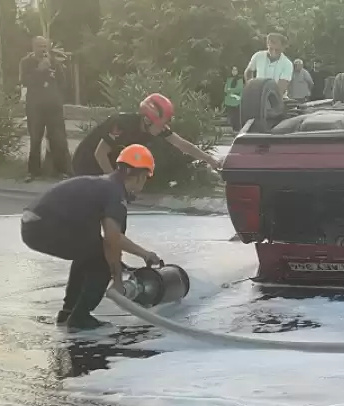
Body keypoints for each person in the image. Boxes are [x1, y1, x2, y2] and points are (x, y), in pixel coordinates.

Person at [21, 144, 162, 330]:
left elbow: (109, 242)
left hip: (32, 226)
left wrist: (118, 272)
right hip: (45, 227)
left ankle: (68, 313)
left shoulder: (105, 185)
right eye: (145, 180)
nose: (142, 186)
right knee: (99, 260)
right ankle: (80, 318)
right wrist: (143, 255)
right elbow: (113, 238)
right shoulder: (114, 193)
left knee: (88, 253)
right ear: (139, 176)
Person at [71, 93, 221, 176]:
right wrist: (114, 183)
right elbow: (100, 154)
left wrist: (210, 160)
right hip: (86, 164)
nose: (165, 128)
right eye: (162, 124)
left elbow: (182, 144)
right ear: (148, 120)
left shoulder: (154, 127)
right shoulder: (121, 123)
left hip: (106, 167)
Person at [18, 36, 71, 182]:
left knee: (58, 139)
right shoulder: (26, 62)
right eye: (39, 46)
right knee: (35, 139)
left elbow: (63, 82)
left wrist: (57, 97)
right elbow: (24, 81)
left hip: (53, 107)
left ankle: (61, 171)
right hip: (35, 107)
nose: (42, 49)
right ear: (33, 47)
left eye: (44, 46)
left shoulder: (54, 62)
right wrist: (39, 70)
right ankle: (33, 172)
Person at [223, 66, 244, 132]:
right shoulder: (229, 79)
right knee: (231, 115)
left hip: (236, 100)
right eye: (233, 70)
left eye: (235, 70)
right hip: (229, 99)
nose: (234, 72)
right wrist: (230, 90)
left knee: (236, 115)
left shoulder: (239, 79)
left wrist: (230, 90)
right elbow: (225, 89)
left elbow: (239, 89)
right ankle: (232, 128)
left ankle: (237, 129)